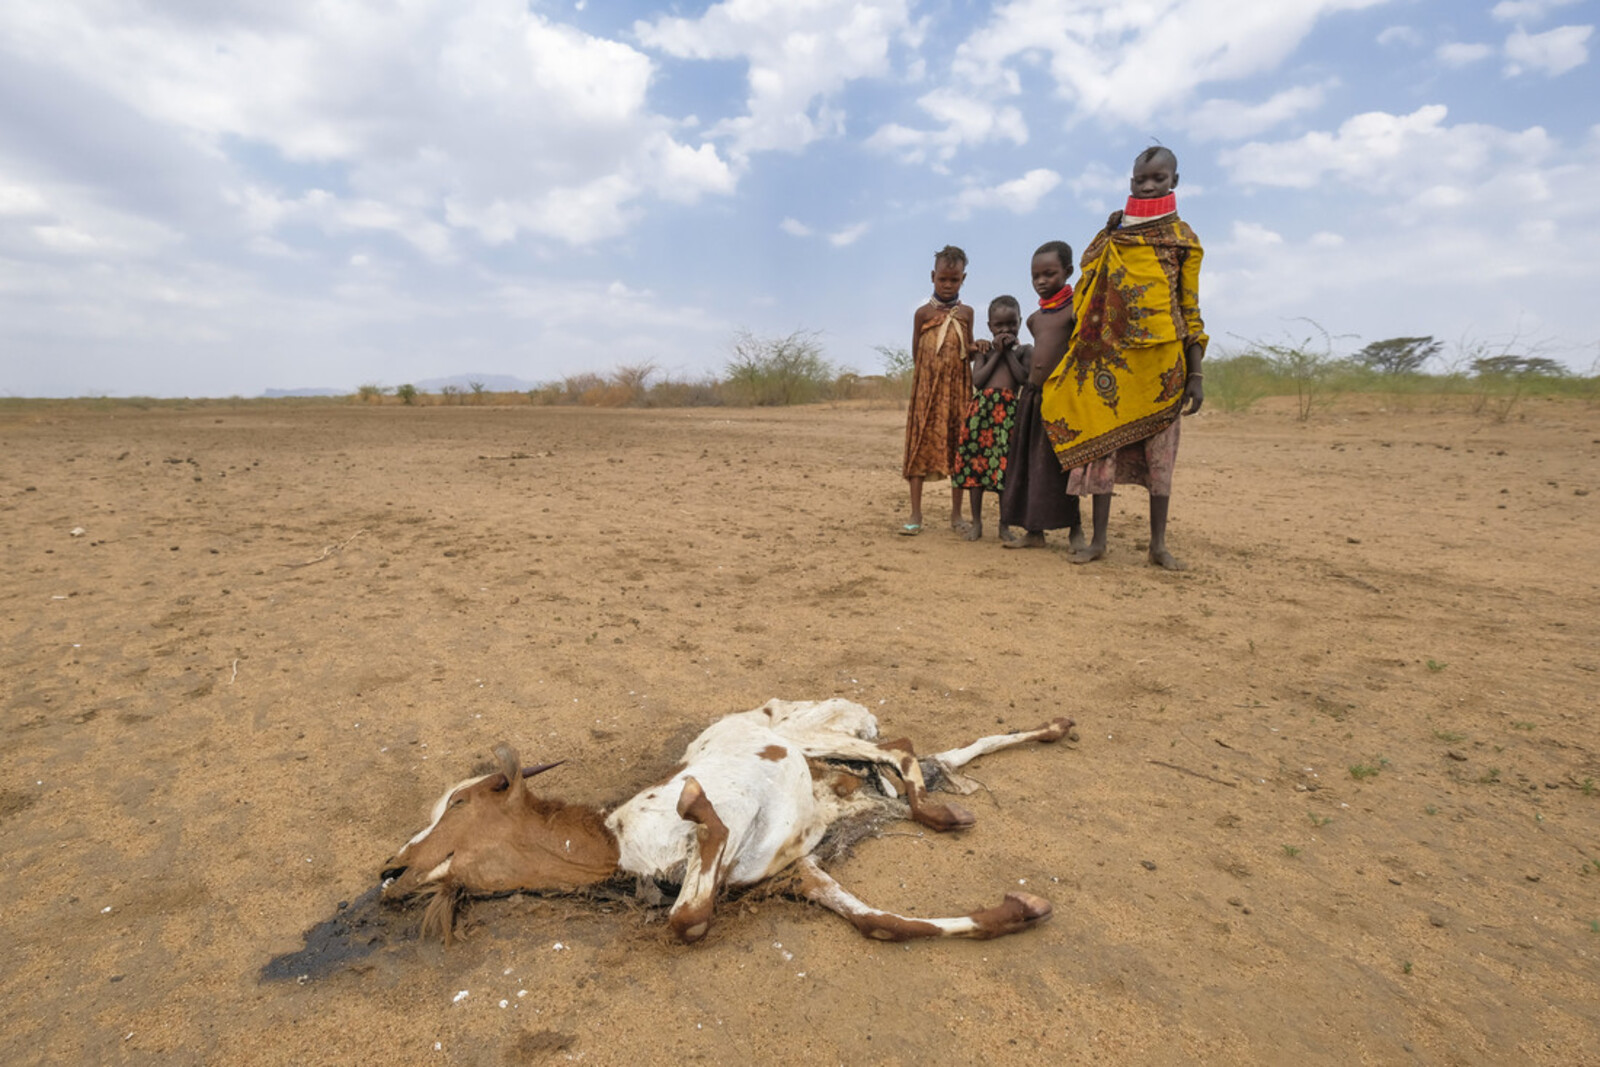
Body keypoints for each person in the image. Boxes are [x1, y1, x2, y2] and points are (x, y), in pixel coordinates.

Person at [1039, 146, 1206, 570]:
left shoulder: (1183, 239)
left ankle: (1158, 545)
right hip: (1109, 362)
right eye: (1140, 179)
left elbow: (1189, 308)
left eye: (1158, 178)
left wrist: (1196, 372)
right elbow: (1088, 291)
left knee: (1160, 458)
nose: (1148, 186)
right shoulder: (1110, 235)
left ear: (1175, 182)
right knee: (1102, 452)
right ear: (1130, 181)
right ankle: (1098, 542)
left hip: (1163, 365)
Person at [999, 241, 1084, 549]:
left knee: (1061, 466)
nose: (1041, 281)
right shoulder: (1035, 319)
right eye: (1035, 276)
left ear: (1068, 272)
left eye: (1049, 273)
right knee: (1029, 465)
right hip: (1032, 398)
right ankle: (1034, 532)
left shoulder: (1076, 311)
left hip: (1061, 400)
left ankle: (1075, 529)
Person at [901, 245, 977, 535]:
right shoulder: (922, 313)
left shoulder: (967, 313)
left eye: (954, 280)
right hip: (926, 392)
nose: (947, 285)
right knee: (919, 445)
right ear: (933, 277)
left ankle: (957, 516)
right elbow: (916, 353)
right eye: (943, 279)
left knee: (958, 447)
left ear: (963, 279)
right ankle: (916, 514)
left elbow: (967, 352)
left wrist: (977, 346)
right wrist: (927, 385)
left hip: (958, 391)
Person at [953, 295, 1028, 542]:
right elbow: (979, 381)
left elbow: (1022, 379)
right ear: (990, 327)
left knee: (1004, 472)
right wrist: (997, 351)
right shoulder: (984, 351)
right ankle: (976, 524)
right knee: (977, 470)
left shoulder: (1024, 351)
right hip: (981, 416)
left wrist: (1007, 353)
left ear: (1020, 322)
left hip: (1007, 418)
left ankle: (1004, 526)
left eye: (1011, 324)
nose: (1005, 330)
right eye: (999, 326)